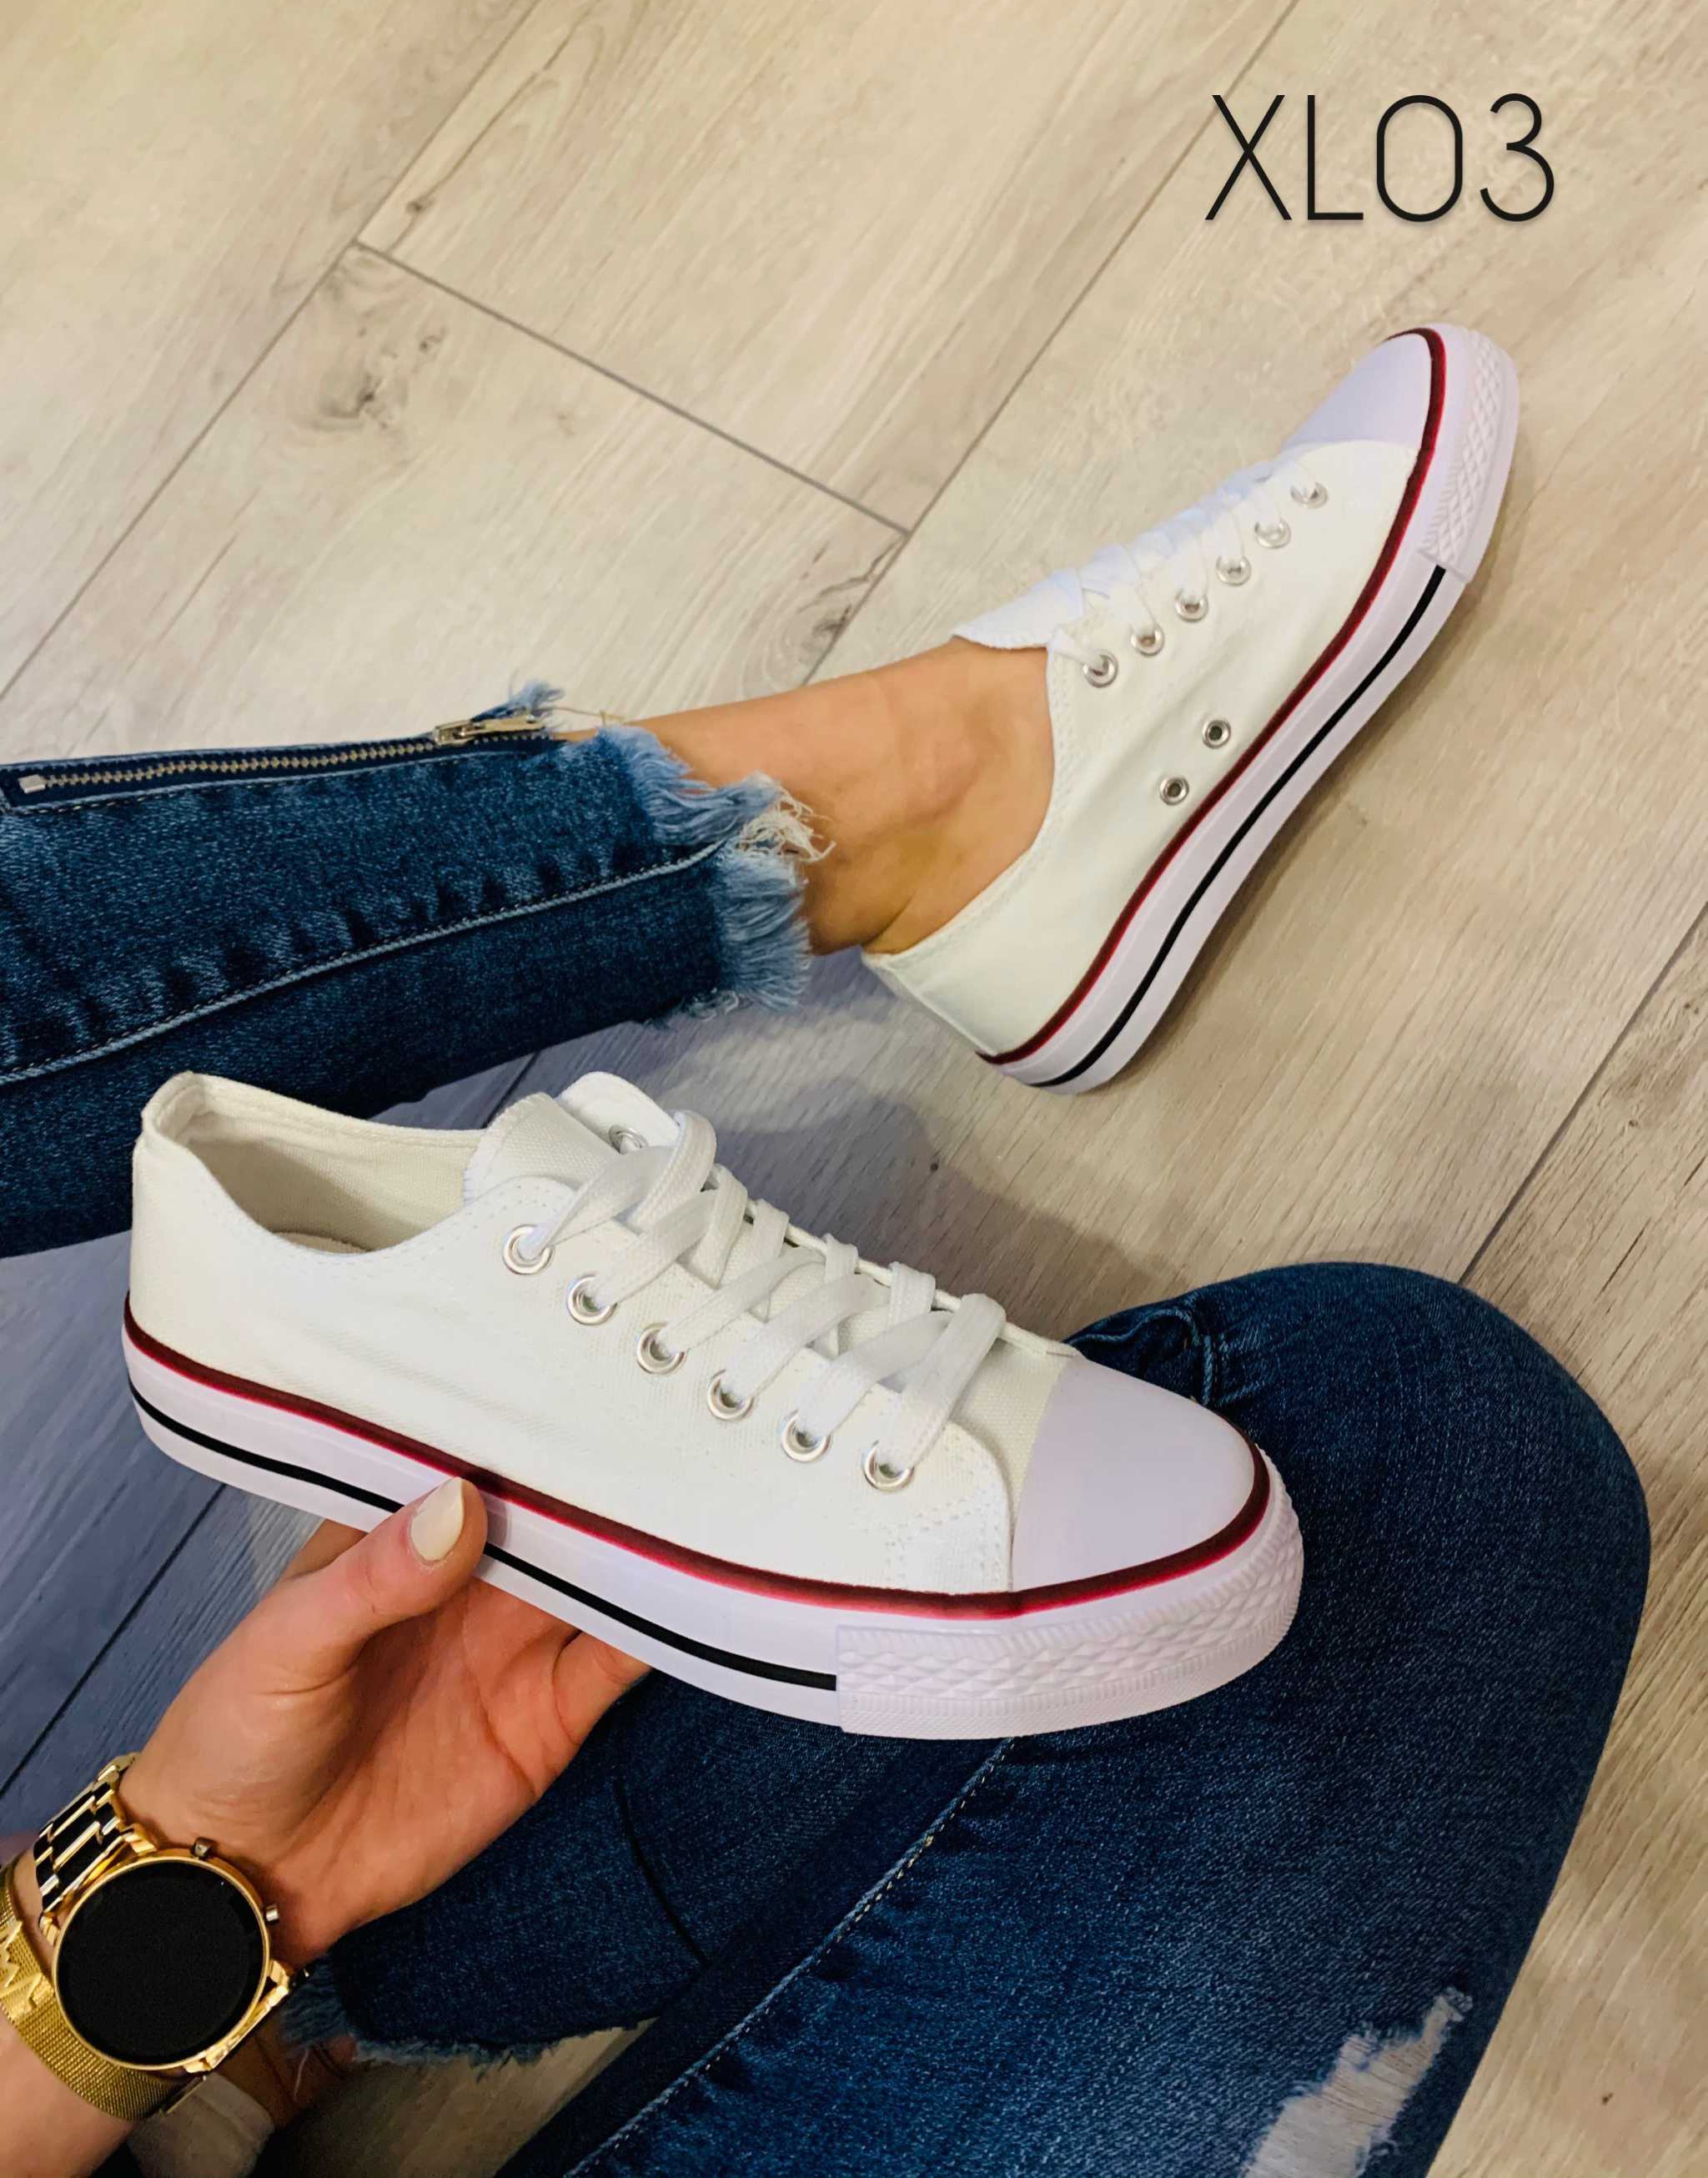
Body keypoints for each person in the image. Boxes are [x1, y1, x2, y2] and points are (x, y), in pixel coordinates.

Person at [0, 336, 1641, 2177]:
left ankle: (893, 808)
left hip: (238, 1904)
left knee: (1302, 1490)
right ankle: (925, 814)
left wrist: (157, 1925)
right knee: (1435, 1477)